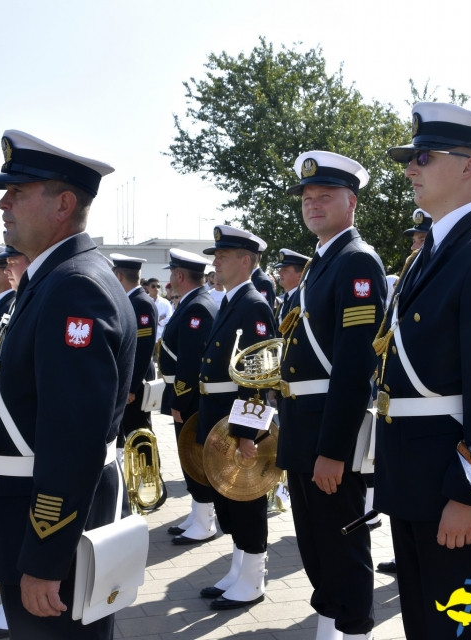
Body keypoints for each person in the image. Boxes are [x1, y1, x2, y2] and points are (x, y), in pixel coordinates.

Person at [375, 103, 471, 640]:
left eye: (422, 156)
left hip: (451, 478)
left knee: (458, 628)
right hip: (413, 474)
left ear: (469, 165)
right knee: (424, 625)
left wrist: (468, 492)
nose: (409, 168)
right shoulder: (433, 249)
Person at [0, 129, 134, 640]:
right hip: (25, 503)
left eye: (17, 193)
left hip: (49, 522)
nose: (3, 204)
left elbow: (73, 435)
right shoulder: (55, 279)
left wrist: (46, 555)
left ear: (64, 204)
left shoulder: (75, 288)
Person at [277, 151, 387, 640]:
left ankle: (355, 631)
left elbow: (354, 366)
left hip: (327, 428)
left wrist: (332, 449)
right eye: (307, 197)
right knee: (315, 542)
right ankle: (329, 626)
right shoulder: (323, 262)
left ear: (352, 202)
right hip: (302, 423)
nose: (313, 204)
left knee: (342, 540)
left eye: (325, 196)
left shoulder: (356, 260)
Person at [195, 224, 277, 610]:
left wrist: (248, 434)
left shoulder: (254, 305)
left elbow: (258, 378)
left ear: (246, 261)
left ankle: (253, 579)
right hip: (219, 416)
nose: (216, 262)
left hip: (237, 420)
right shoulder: (231, 301)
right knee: (228, 501)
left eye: (223, 257)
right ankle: (238, 570)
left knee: (246, 502)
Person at [159, 248, 218, 541]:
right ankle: (198, 513)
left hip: (190, 397)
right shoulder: (192, 303)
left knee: (193, 457)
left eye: (172, 273)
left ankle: (205, 521)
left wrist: (179, 400)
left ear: (180, 276)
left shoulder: (197, 307)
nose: (170, 278)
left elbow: (190, 362)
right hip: (186, 394)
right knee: (187, 456)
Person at [109, 254, 159, 483]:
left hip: (136, 382)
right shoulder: (132, 300)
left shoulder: (141, 302)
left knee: (139, 429)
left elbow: (144, 348)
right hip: (130, 379)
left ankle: (148, 481)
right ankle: (137, 478)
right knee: (129, 430)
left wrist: (131, 387)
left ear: (119, 275)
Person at [272, 248, 309, 325]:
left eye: (285, 270)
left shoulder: (304, 301)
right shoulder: (283, 303)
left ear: (300, 276)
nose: (279, 273)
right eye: (280, 269)